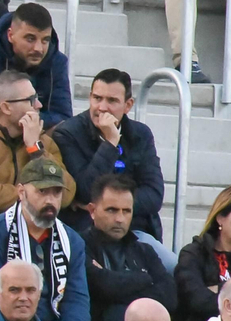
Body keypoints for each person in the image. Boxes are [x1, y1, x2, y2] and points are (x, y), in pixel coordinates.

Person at [0, 154, 89, 321]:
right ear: (21, 192)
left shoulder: (71, 240)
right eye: (42, 191)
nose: (50, 200)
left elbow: (77, 298)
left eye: (57, 192)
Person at [55, 69, 166, 245]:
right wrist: (110, 143)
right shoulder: (68, 133)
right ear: (90, 97)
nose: (102, 107)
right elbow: (85, 192)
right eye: (97, 98)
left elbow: (154, 195)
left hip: (135, 231)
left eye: (112, 100)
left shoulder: (140, 134)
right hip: (87, 232)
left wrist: (109, 205)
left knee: (169, 261)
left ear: (128, 105)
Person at [0, 71, 77, 225]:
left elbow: (66, 193)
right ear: (6, 107)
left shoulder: (40, 140)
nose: (39, 105)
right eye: (31, 100)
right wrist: (36, 196)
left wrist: (36, 150)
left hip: (32, 226)